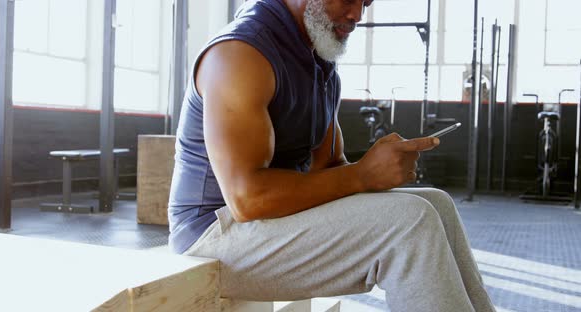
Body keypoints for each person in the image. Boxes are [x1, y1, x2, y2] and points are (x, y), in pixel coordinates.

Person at [168, 0, 496, 311]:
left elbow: (329, 168)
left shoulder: (318, 63)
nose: (357, 15)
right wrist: (363, 175)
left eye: (365, 4)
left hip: (267, 225)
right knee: (410, 222)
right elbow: (247, 199)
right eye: (348, 0)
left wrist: (380, 172)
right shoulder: (241, 54)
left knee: (437, 204)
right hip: (212, 236)